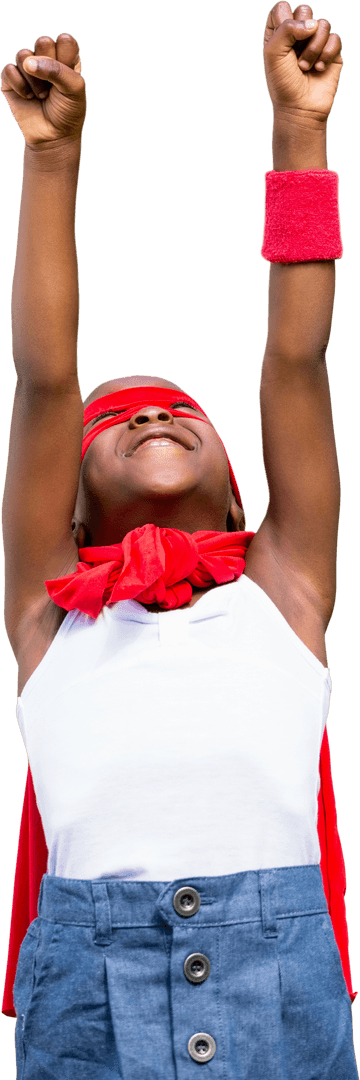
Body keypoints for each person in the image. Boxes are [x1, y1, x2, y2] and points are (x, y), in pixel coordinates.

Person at [0, 4, 358, 1077]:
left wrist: (300, 131)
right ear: (70, 493)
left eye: (174, 407)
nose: (151, 414)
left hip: (281, 977)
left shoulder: (284, 587)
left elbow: (297, 359)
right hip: (88, 987)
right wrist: (53, 158)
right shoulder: (46, 607)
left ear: (241, 483)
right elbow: (46, 377)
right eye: (115, 422)